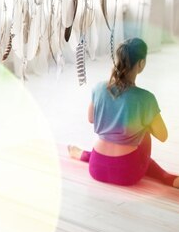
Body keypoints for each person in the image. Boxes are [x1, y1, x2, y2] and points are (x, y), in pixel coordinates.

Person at [68, 38, 178, 188]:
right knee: (144, 130)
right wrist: (142, 123)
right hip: (126, 174)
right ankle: (166, 177)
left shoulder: (99, 88)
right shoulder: (146, 98)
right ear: (141, 64)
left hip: (96, 168)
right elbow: (163, 136)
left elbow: (91, 119)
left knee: (115, 133)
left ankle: (83, 155)